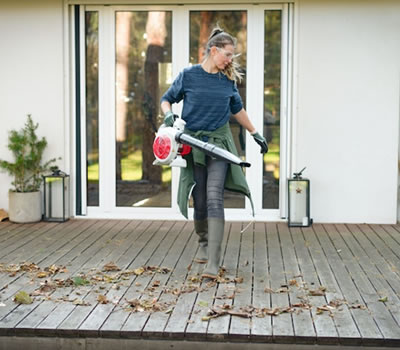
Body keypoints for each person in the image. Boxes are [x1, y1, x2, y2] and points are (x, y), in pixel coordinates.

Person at [160, 27, 268, 280]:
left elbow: (237, 111)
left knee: (213, 196)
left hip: (219, 144)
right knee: (198, 198)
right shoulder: (189, 75)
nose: (230, 60)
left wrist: (255, 133)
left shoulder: (227, 81)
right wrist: (168, 112)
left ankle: (214, 262)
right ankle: (203, 241)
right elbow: (167, 98)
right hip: (193, 145)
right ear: (214, 50)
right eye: (228, 55)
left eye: (232, 56)